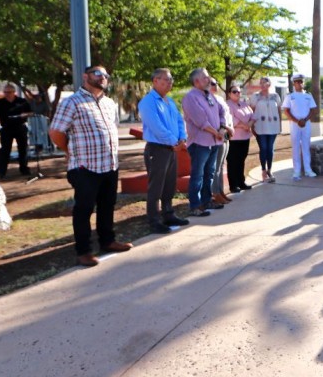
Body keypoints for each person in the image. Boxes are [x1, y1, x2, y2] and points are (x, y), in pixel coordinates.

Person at [48, 65, 133, 266]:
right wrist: (69, 151)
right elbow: (56, 132)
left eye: (106, 75)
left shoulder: (110, 103)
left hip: (109, 164)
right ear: (85, 76)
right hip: (85, 166)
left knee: (107, 206)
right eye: (98, 74)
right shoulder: (72, 102)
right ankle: (83, 251)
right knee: (84, 209)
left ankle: (108, 241)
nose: (103, 77)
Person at [137, 67, 190, 234]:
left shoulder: (170, 102)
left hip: (171, 149)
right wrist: (174, 141)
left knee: (169, 185)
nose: (170, 82)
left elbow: (180, 122)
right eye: (166, 79)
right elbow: (156, 126)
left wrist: (182, 138)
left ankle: (168, 214)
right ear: (155, 81)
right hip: (157, 149)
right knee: (156, 187)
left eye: (171, 79)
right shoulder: (148, 102)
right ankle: (154, 220)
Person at [181, 67, 227, 217]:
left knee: (209, 173)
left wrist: (221, 128)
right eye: (205, 78)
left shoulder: (209, 95)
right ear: (196, 81)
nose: (209, 80)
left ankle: (207, 201)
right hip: (200, 143)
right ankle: (195, 205)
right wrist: (217, 133)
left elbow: (222, 111)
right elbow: (201, 121)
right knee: (198, 174)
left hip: (214, 142)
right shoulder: (190, 98)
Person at [282, 73, 318, 181]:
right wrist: (297, 121)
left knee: (306, 147)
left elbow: (313, 110)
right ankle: (296, 171)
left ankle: (308, 170)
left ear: (303, 83)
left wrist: (305, 120)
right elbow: (286, 111)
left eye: (301, 81)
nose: (299, 84)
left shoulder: (308, 96)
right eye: (297, 82)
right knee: (296, 148)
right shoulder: (290, 96)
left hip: (306, 124)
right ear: (294, 83)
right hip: (295, 125)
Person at [0, 82, 32, 179]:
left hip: (20, 127)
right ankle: (1, 171)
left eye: (9, 92)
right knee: (5, 150)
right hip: (6, 128)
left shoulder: (22, 101)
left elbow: (30, 112)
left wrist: (24, 115)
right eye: (5, 92)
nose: (7, 94)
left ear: (14, 92)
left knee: (23, 149)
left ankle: (24, 169)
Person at [250, 77, 281, 183]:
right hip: (260, 126)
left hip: (273, 125)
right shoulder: (255, 96)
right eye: (261, 83)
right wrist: (252, 126)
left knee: (270, 149)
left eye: (265, 83)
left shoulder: (275, 96)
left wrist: (280, 124)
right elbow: (252, 111)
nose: (262, 85)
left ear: (269, 84)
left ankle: (269, 170)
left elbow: (279, 111)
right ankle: (263, 170)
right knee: (263, 148)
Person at [226, 83, 254, 192]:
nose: (237, 93)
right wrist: (243, 125)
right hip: (234, 138)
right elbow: (231, 119)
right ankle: (233, 185)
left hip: (245, 137)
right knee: (233, 161)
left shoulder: (244, 104)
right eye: (234, 91)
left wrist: (249, 124)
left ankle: (241, 182)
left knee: (241, 160)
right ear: (229, 94)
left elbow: (252, 115)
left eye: (238, 91)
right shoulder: (228, 105)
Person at [209, 78, 233, 205]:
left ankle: (221, 191)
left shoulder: (220, 98)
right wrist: (226, 128)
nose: (215, 85)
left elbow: (227, 116)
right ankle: (215, 193)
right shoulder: (209, 99)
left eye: (216, 83)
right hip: (219, 135)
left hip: (226, 135)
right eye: (212, 84)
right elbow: (217, 119)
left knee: (221, 165)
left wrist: (230, 128)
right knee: (216, 167)